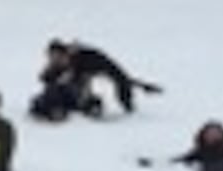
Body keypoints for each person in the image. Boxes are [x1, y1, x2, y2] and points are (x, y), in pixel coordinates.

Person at [29, 39, 163, 121]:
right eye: (51, 58)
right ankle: (57, 111)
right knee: (45, 99)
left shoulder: (89, 58)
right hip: (62, 96)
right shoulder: (55, 66)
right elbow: (45, 80)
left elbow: (117, 75)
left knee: (90, 102)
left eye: (58, 57)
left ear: (66, 53)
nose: (55, 60)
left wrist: (127, 100)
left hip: (81, 95)